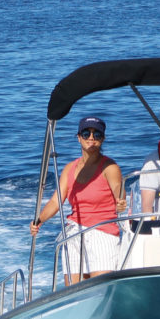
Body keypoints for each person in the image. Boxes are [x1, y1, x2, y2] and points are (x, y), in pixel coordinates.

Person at [30, 116, 126, 283]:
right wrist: (39, 220)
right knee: (73, 290)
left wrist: (122, 201)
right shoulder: (69, 168)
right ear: (78, 137)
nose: (91, 138)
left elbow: (120, 192)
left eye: (96, 134)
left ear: (102, 139)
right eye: (86, 133)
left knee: (100, 286)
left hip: (102, 233)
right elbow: (55, 202)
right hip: (74, 233)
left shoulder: (110, 167)